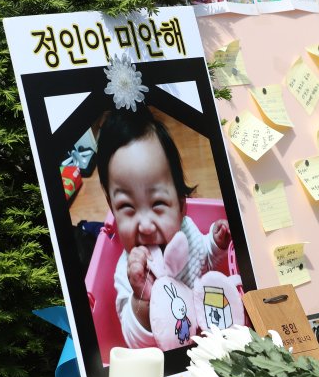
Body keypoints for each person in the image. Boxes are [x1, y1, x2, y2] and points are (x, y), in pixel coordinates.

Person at [96, 104, 232, 348]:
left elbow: (206, 260)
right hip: (170, 357)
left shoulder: (187, 232)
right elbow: (133, 340)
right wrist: (142, 300)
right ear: (112, 209)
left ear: (181, 206)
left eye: (158, 203)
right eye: (127, 206)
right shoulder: (128, 271)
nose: (146, 226)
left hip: (208, 335)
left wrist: (215, 243)